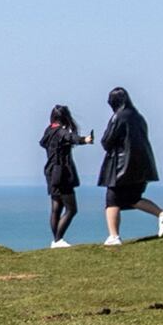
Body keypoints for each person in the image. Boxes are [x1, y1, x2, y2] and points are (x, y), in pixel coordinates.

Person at [98, 86, 163, 245]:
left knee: (112, 199)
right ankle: (162, 214)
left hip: (121, 166)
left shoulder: (118, 117)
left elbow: (107, 141)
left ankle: (114, 236)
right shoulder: (138, 117)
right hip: (141, 166)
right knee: (132, 198)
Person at [39, 105, 93, 248]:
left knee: (56, 208)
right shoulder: (61, 132)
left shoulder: (48, 131)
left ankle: (55, 240)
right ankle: (58, 239)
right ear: (65, 117)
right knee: (71, 209)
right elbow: (71, 137)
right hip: (62, 173)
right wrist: (85, 140)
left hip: (50, 172)